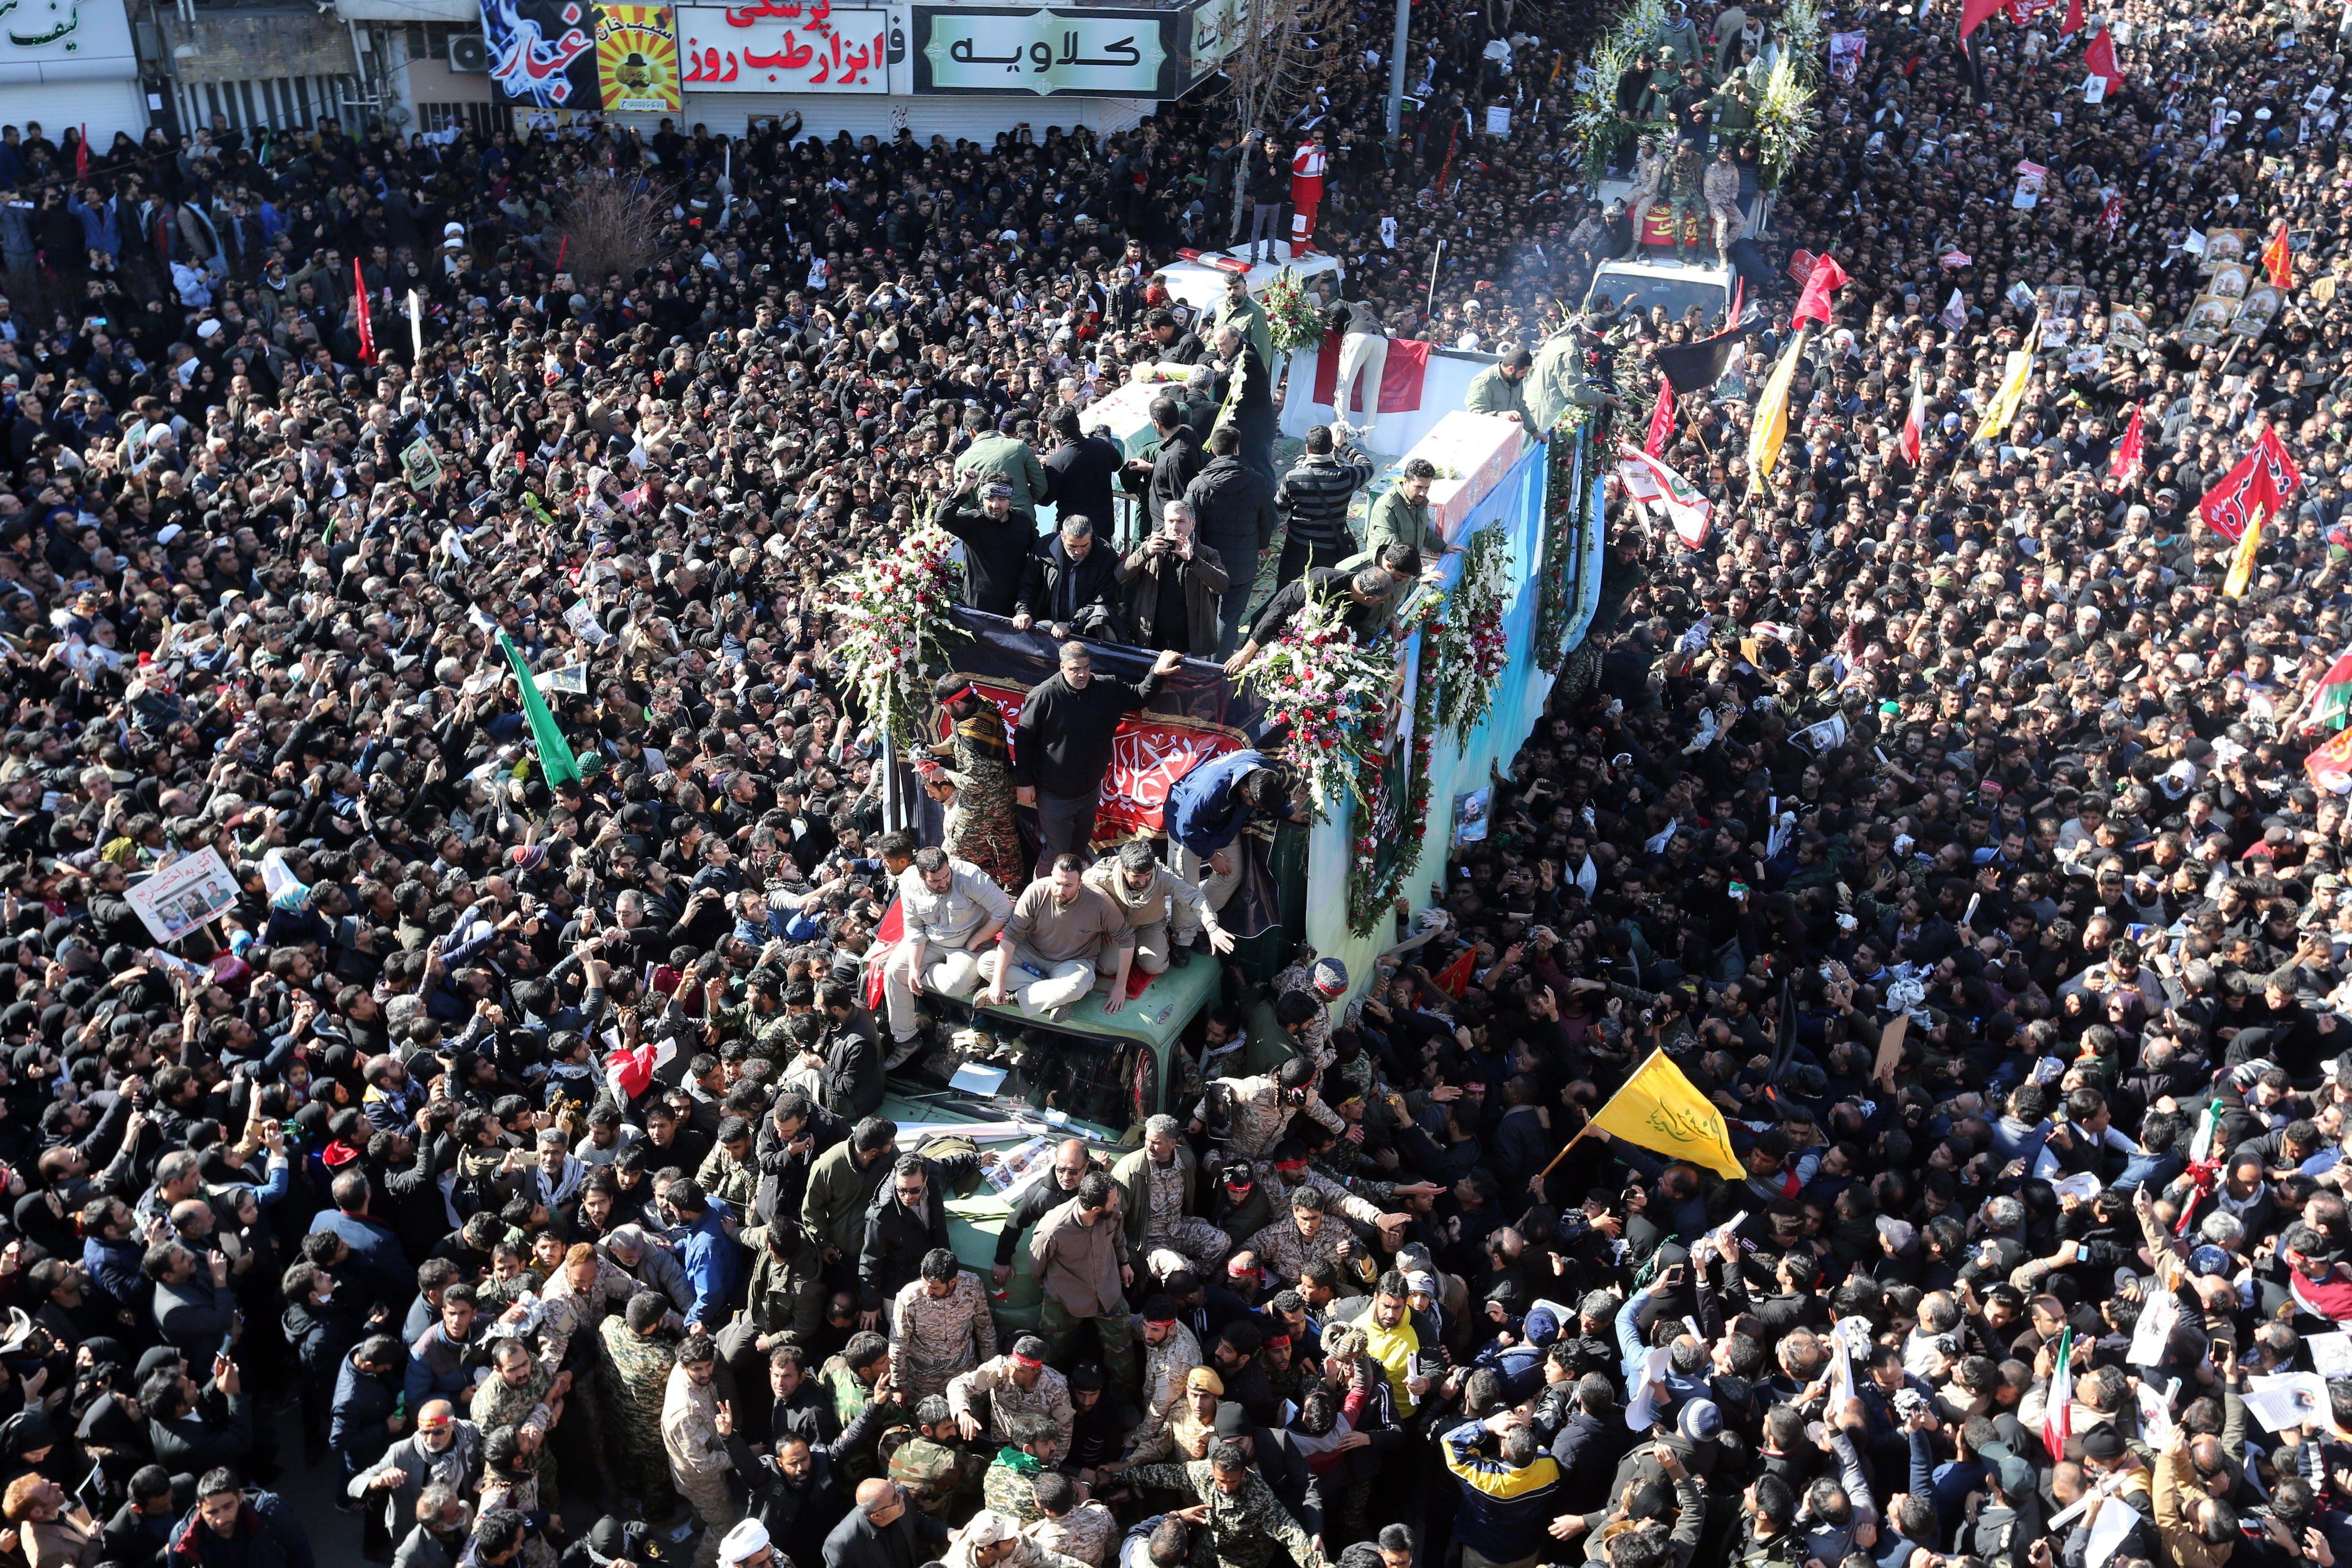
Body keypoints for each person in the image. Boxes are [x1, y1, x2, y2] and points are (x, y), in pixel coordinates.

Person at [1011, 643, 1183, 863]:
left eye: (1086, 667)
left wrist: (1156, 673)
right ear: (1062, 667)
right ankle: (1044, 895)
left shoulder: (1106, 687)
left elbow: (1139, 697)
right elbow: (1024, 739)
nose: (1082, 674)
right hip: (1055, 793)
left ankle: (1073, 893)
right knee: (1057, 853)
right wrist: (1024, 782)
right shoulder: (1045, 696)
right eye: (1075, 669)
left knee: (1078, 849)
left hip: (1090, 790)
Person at [882, 846, 1013, 1064]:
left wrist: (977, 939)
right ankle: (906, 1039)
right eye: (935, 881)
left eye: (946, 876)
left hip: (968, 945)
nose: (944, 883)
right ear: (922, 875)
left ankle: (928, 974)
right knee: (894, 973)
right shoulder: (909, 884)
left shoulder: (969, 876)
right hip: (931, 941)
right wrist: (914, 969)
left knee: (956, 986)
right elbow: (914, 929)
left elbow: (1004, 909)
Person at [980, 854, 1136, 1019]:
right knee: (986, 964)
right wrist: (997, 982)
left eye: (1069, 886)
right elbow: (1011, 935)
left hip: (1072, 962)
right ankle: (1056, 997)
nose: (1061, 891)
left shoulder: (1099, 902)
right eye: (1057, 883)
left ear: (1080, 884)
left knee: (1075, 987)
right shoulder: (1036, 891)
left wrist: (1120, 987)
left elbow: (1127, 939)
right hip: (1031, 953)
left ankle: (1016, 998)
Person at [1029, 1171, 1140, 1392]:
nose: (1117, 1202)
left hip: (1108, 1293)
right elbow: (1037, 1263)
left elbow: (1118, 1238)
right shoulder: (1054, 1230)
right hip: (1065, 1300)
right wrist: (1051, 1285)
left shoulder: (1112, 1215)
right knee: (1052, 1353)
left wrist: (1124, 1262)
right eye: (1113, 1200)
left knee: (1123, 1353)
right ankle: (1047, 1396)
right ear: (1096, 1208)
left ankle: (1123, 1400)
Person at [1183, 427, 1280, 657]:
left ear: (1214, 451)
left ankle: (1198, 661)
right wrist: (1262, 543)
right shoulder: (1257, 482)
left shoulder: (1198, 485)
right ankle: (1218, 667)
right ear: (1237, 448)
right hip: (1242, 564)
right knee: (1229, 618)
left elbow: (1187, 523)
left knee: (1204, 613)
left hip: (1206, 564)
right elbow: (1269, 520)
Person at [1082, 839, 1233, 976]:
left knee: (1155, 967)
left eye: (1146, 875)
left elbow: (1193, 897)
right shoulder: (1101, 875)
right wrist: (1101, 925)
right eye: (1136, 876)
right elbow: (1082, 894)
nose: (1142, 882)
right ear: (1124, 869)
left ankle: (1145, 946)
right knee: (1108, 968)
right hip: (1116, 928)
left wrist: (1212, 927)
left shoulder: (1162, 875)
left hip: (1148, 924)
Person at [1116, 500, 1229, 658]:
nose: (1175, 527)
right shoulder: (1151, 548)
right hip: (1150, 641)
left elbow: (1222, 585)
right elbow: (1121, 576)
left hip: (1190, 646)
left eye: (1181, 522)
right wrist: (1145, 554)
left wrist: (1194, 561)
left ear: (1193, 524)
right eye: (1170, 521)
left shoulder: (1207, 554)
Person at [1273, 427, 1375, 588]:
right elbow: (1367, 466)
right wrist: (1343, 445)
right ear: (1331, 448)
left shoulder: (1293, 477)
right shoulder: (1347, 477)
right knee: (1323, 597)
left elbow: (1280, 507)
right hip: (1330, 550)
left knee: (1288, 593)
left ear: (1307, 448)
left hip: (1297, 549)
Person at [941, 473, 1040, 619]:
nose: (995, 505)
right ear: (982, 498)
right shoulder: (972, 521)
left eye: (1001, 499)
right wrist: (964, 487)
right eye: (990, 499)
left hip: (1015, 609)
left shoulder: (1022, 521)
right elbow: (943, 518)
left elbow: (1036, 553)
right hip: (978, 609)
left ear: (1010, 499)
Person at [1013, 515, 1124, 643]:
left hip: (1087, 633)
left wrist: (1072, 624)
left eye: (1084, 546)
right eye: (1072, 546)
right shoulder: (1044, 548)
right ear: (1062, 536)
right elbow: (1029, 584)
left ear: (1091, 535)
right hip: (1047, 628)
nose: (1078, 552)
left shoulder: (1106, 554)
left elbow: (1104, 599)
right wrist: (1023, 611)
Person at [820, 1479, 950, 1568]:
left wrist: (949, 1534)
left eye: (895, 1490)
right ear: (877, 1516)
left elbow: (919, 1522)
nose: (901, 1497)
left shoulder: (900, 1495)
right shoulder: (841, 1545)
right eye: (895, 1498)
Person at [1323, 298, 1390, 439]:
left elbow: (1335, 309)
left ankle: (1340, 434)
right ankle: (1365, 439)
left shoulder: (1341, 302)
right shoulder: (1369, 315)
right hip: (1382, 339)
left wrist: (1336, 327)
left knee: (1344, 388)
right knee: (1372, 392)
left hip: (1358, 336)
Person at [1464, 344, 1534, 425]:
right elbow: (1476, 417)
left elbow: (1521, 408)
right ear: (1511, 369)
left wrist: (1534, 431)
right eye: (1524, 372)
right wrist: (1501, 415)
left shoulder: (1516, 378)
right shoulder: (1484, 383)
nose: (1525, 376)